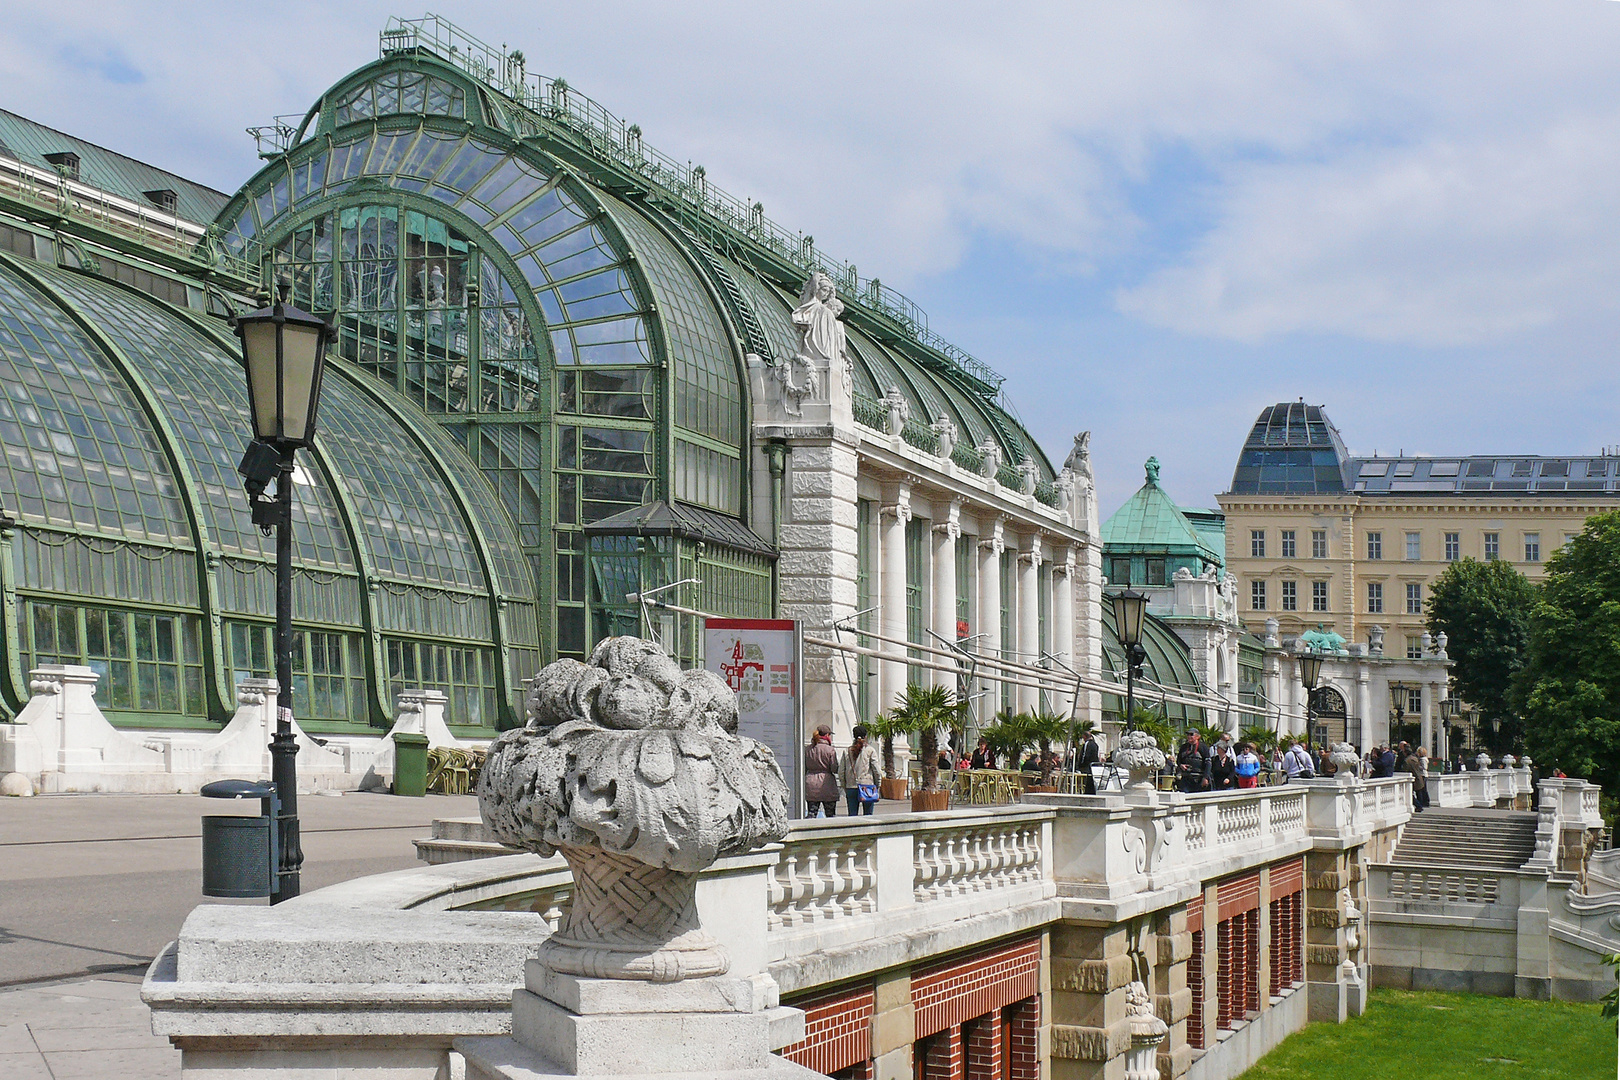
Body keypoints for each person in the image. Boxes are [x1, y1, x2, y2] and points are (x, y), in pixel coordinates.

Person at [839, 724, 883, 816]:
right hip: (867, 786)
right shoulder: (870, 751)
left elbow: (841, 772)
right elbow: (877, 770)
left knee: (852, 816)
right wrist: (877, 785)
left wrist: (844, 786)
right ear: (865, 736)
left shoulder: (847, 751)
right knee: (868, 816)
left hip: (851, 786)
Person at [803, 724, 839, 818]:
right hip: (827, 784)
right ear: (827, 735)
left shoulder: (807, 749)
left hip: (810, 783)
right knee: (830, 815)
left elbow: (804, 767)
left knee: (811, 814)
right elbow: (834, 768)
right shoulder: (830, 750)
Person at [1076, 729, 1102, 794]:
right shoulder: (1095, 744)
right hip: (1094, 766)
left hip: (1088, 766)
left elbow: (1085, 755)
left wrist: (1080, 765)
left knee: (1087, 780)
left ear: (1084, 736)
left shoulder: (1087, 744)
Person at [1405, 745, 1430, 811]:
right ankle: (1423, 803)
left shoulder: (1423, 759)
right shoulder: (1418, 759)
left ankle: (1423, 803)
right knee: (1421, 790)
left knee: (1422, 790)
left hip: (1423, 775)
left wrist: (1418, 766)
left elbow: (1424, 768)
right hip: (1421, 775)